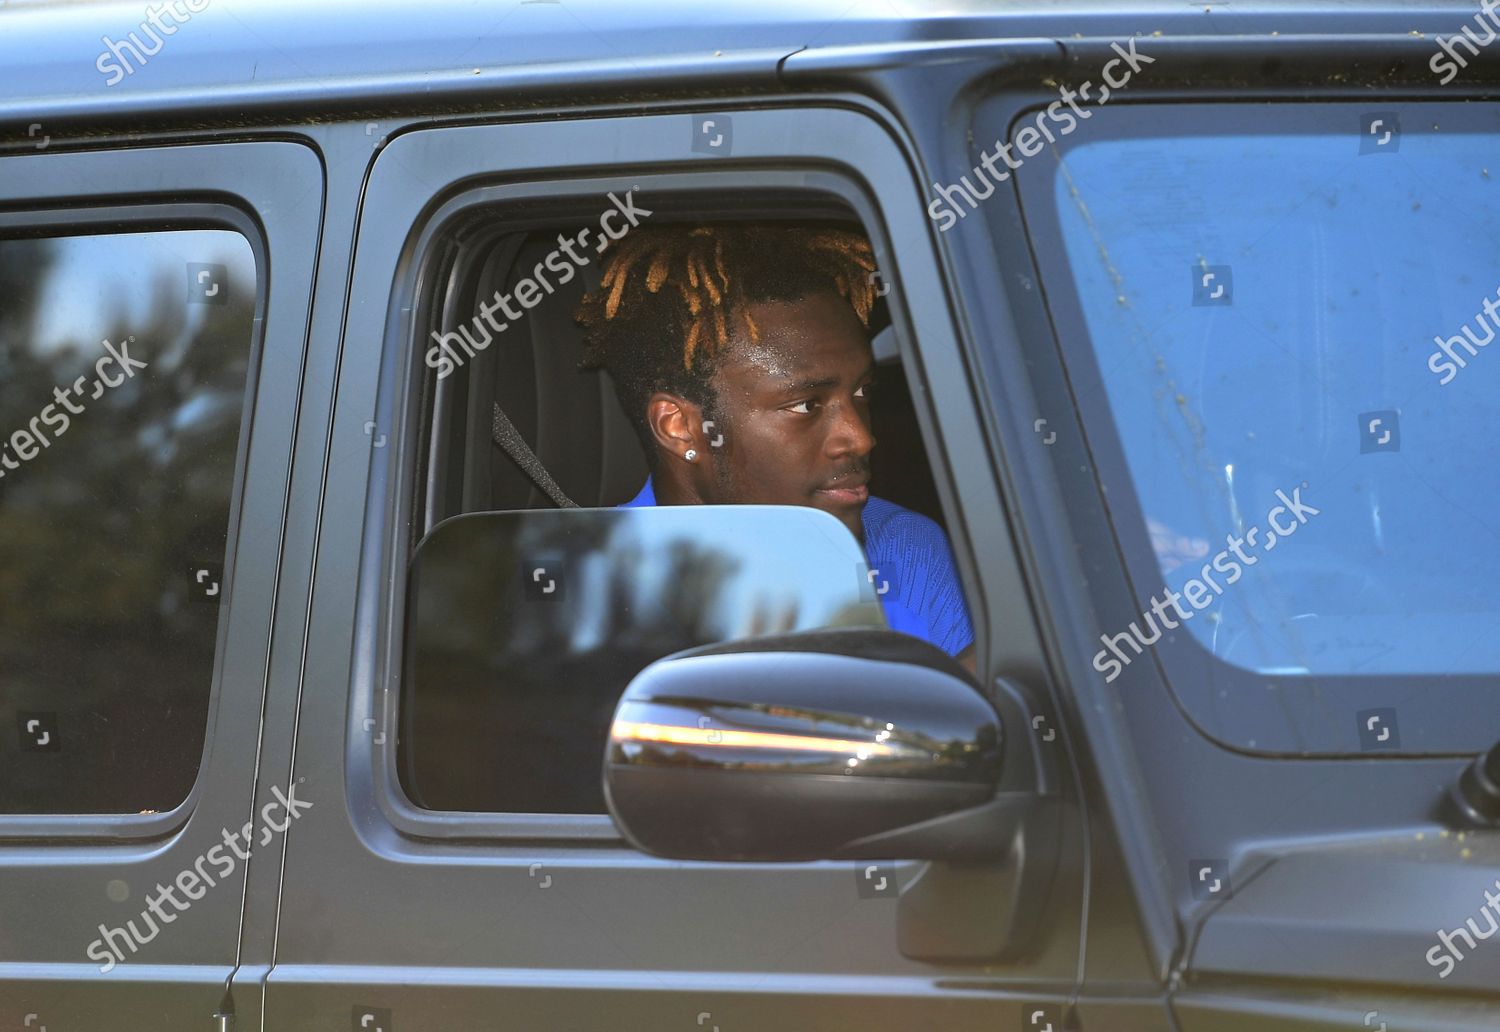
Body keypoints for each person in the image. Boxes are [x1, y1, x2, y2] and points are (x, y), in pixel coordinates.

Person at [576, 223, 976, 669]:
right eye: (806, 405)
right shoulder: (584, 589)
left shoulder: (902, 548)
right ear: (680, 428)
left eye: (862, 392)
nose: (862, 437)